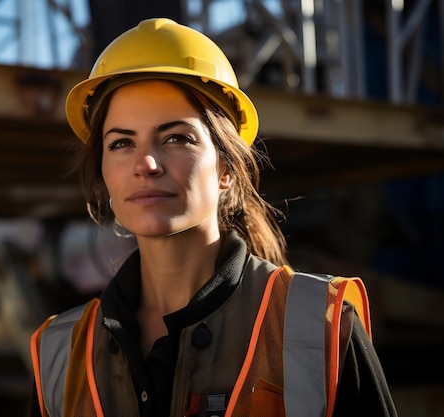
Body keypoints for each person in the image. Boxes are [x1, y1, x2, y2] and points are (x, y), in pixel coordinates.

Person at [29, 17, 397, 417]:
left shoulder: (322, 327)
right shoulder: (60, 354)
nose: (146, 163)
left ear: (226, 168)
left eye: (176, 138)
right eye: (121, 143)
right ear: (103, 172)